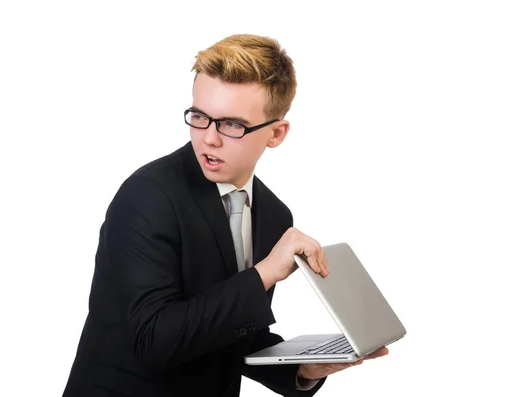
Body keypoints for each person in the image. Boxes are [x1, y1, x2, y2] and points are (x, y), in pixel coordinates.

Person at [62, 34, 388, 397]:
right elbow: (154, 341)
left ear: (276, 133)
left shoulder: (274, 214)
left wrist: (303, 369)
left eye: (232, 124)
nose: (208, 139)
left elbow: (229, 330)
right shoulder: (147, 196)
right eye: (200, 117)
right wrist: (264, 274)